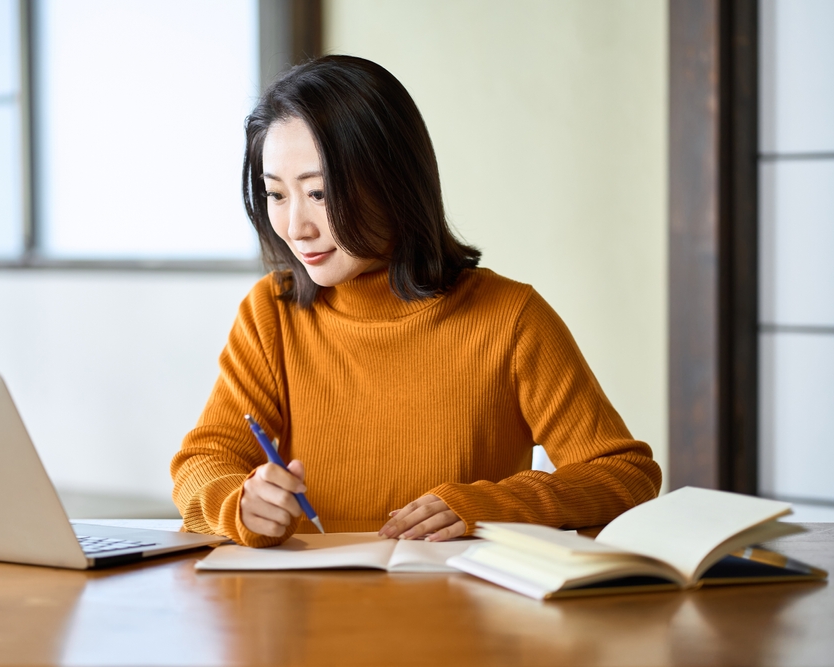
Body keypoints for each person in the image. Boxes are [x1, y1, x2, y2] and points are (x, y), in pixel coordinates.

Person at [170, 55, 661, 548]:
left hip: (456, 609)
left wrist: (488, 506)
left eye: (318, 193)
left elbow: (625, 475)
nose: (297, 226)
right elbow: (202, 464)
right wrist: (241, 503)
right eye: (275, 194)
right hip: (305, 605)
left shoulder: (510, 318)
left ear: (394, 182)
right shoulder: (271, 313)